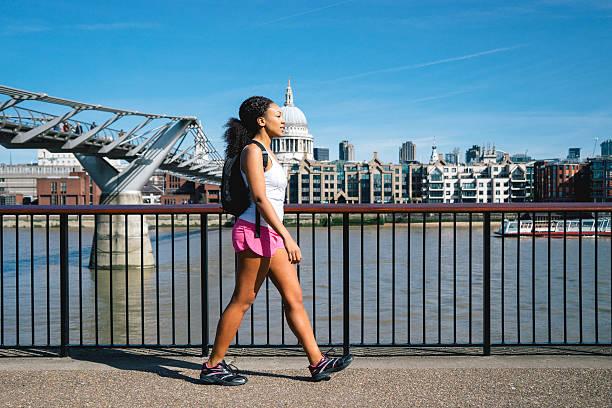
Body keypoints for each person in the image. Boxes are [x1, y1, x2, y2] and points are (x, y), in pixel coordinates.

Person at [200, 96, 353, 386]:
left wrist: (280, 234)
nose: (283, 121)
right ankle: (212, 366)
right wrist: (287, 236)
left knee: (294, 298)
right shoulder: (252, 152)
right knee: (243, 299)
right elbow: (259, 198)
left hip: (269, 232)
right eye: (277, 115)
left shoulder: (268, 153)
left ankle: (317, 361)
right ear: (261, 121)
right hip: (255, 232)